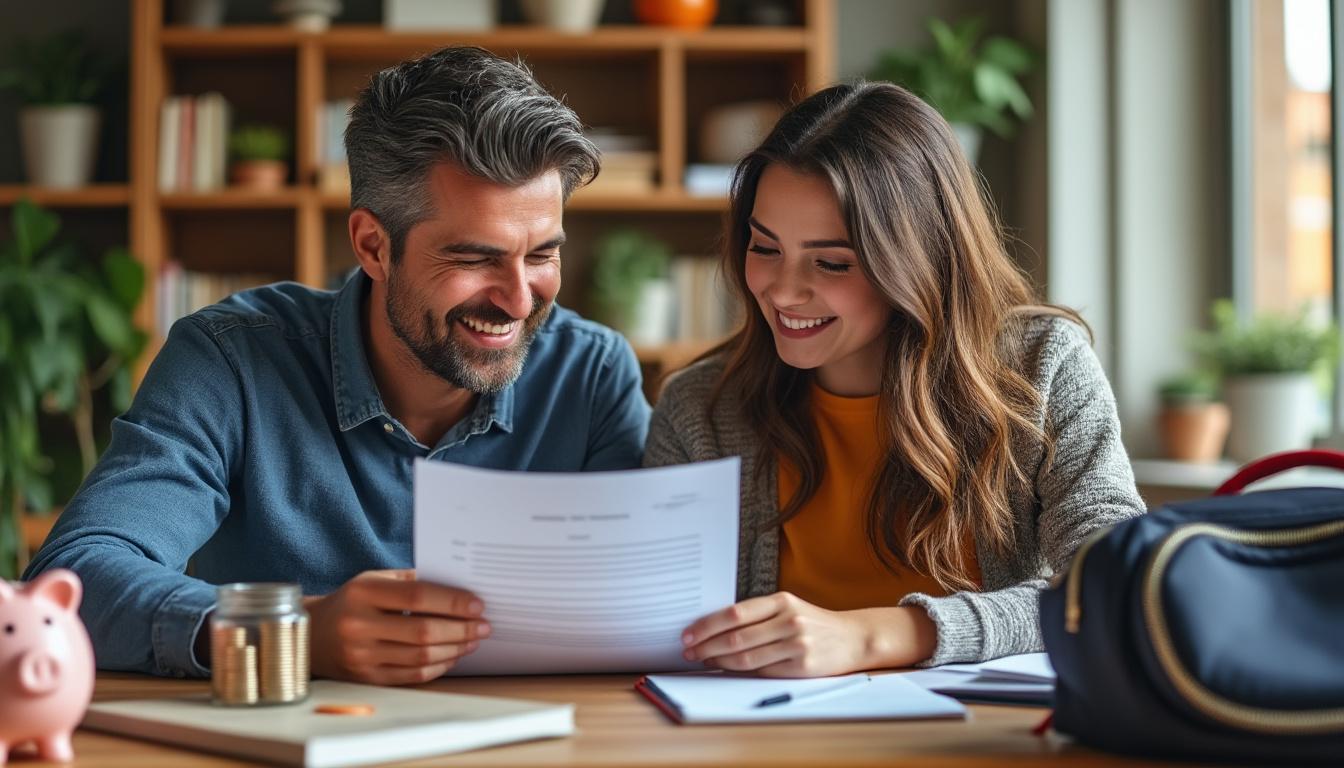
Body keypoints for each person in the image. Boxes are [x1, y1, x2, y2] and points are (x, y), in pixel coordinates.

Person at [24, 46, 651, 684]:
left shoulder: (592, 376)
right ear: (373, 246)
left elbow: (651, 598)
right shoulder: (230, 362)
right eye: (474, 259)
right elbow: (72, 582)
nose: (519, 299)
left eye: (542, 254)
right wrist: (285, 635)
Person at [645, 82, 1145, 677]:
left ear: (918, 257)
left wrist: (881, 635)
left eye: (830, 262)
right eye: (764, 247)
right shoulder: (700, 407)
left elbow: (1116, 585)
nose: (781, 290)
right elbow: (651, 615)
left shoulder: (1041, 369)